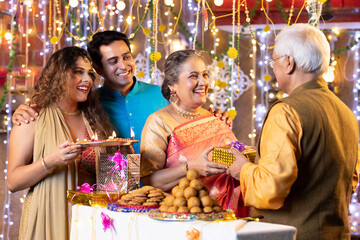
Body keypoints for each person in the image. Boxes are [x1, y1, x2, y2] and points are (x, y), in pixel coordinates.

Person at [226, 23, 360, 239]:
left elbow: (270, 190)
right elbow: (350, 181)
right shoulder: (346, 112)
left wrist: (242, 168)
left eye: (274, 61)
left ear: (289, 62)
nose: (273, 67)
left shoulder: (286, 111)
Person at [12, 31, 230, 154]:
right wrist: (27, 111)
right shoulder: (89, 103)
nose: (123, 65)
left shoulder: (164, 95)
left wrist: (216, 118)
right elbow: (61, 112)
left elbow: (194, 118)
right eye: (113, 61)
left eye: (126, 57)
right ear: (97, 69)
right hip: (113, 201)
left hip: (166, 195)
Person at [7, 47, 113, 240]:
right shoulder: (32, 117)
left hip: (88, 222)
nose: (87, 80)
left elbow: (106, 177)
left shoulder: (93, 119)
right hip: (47, 218)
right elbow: (13, 182)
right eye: (78, 72)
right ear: (59, 76)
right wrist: (50, 161)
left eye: (89, 74)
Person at [140, 50, 249, 217]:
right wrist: (191, 167)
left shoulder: (215, 117)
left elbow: (234, 159)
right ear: (172, 85)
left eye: (205, 75)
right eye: (193, 76)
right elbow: (149, 181)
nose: (203, 82)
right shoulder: (159, 121)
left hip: (227, 214)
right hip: (184, 216)